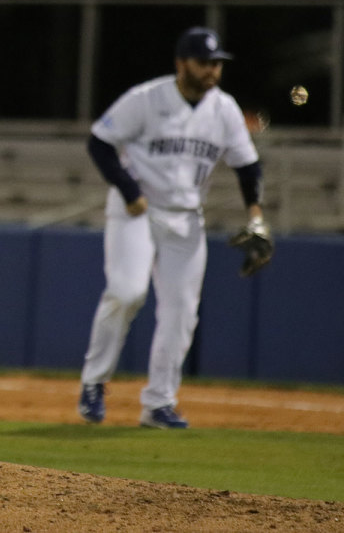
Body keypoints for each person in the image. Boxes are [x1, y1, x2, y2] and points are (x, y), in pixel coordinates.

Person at [77, 26, 264, 429]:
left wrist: (256, 216)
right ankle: (94, 381)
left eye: (217, 63)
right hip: (137, 211)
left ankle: (159, 403)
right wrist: (128, 190)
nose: (212, 70)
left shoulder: (224, 109)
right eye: (204, 62)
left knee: (181, 312)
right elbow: (99, 142)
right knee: (127, 293)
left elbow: (248, 165)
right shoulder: (146, 99)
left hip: (187, 219)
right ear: (181, 64)